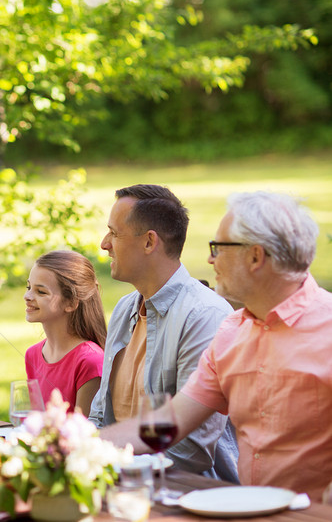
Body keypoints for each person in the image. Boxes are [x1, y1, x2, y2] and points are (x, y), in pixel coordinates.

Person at [103, 192, 332, 499]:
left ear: (255, 256)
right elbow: (170, 420)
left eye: (218, 248)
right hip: (247, 509)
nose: (210, 259)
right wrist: (74, 446)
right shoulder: (232, 333)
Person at [88, 185, 238, 479]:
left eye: (114, 233)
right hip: (119, 479)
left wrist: (97, 458)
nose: (104, 244)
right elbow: (99, 418)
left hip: (187, 494)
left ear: (149, 242)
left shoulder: (205, 315)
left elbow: (191, 450)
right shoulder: (123, 309)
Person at [23, 250, 105, 416]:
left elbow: (84, 432)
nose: (27, 296)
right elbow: (37, 422)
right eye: (29, 287)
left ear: (71, 302)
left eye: (41, 291)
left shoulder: (90, 360)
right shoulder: (32, 355)